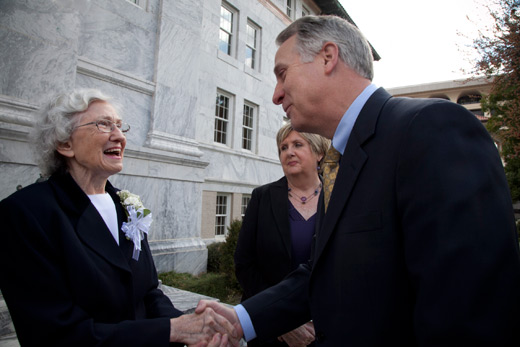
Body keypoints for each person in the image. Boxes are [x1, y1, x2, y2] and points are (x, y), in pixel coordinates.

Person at [196, 14, 520, 346]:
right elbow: (325, 273)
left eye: (282, 74)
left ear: (327, 57)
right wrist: (241, 320)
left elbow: (470, 308)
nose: (277, 95)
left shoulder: (431, 128)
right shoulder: (340, 160)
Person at [0, 89, 238, 347]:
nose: (119, 137)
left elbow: (149, 292)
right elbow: (54, 334)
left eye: (120, 127)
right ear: (64, 144)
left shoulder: (127, 205)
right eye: (103, 124)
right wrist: (170, 330)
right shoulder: (25, 213)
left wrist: (191, 331)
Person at [235, 122, 329, 346]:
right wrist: (278, 318)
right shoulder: (262, 197)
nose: (289, 152)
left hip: (325, 329)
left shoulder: (338, 199)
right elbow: (244, 264)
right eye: (283, 147)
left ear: (319, 153)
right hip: (269, 332)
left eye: (298, 144)